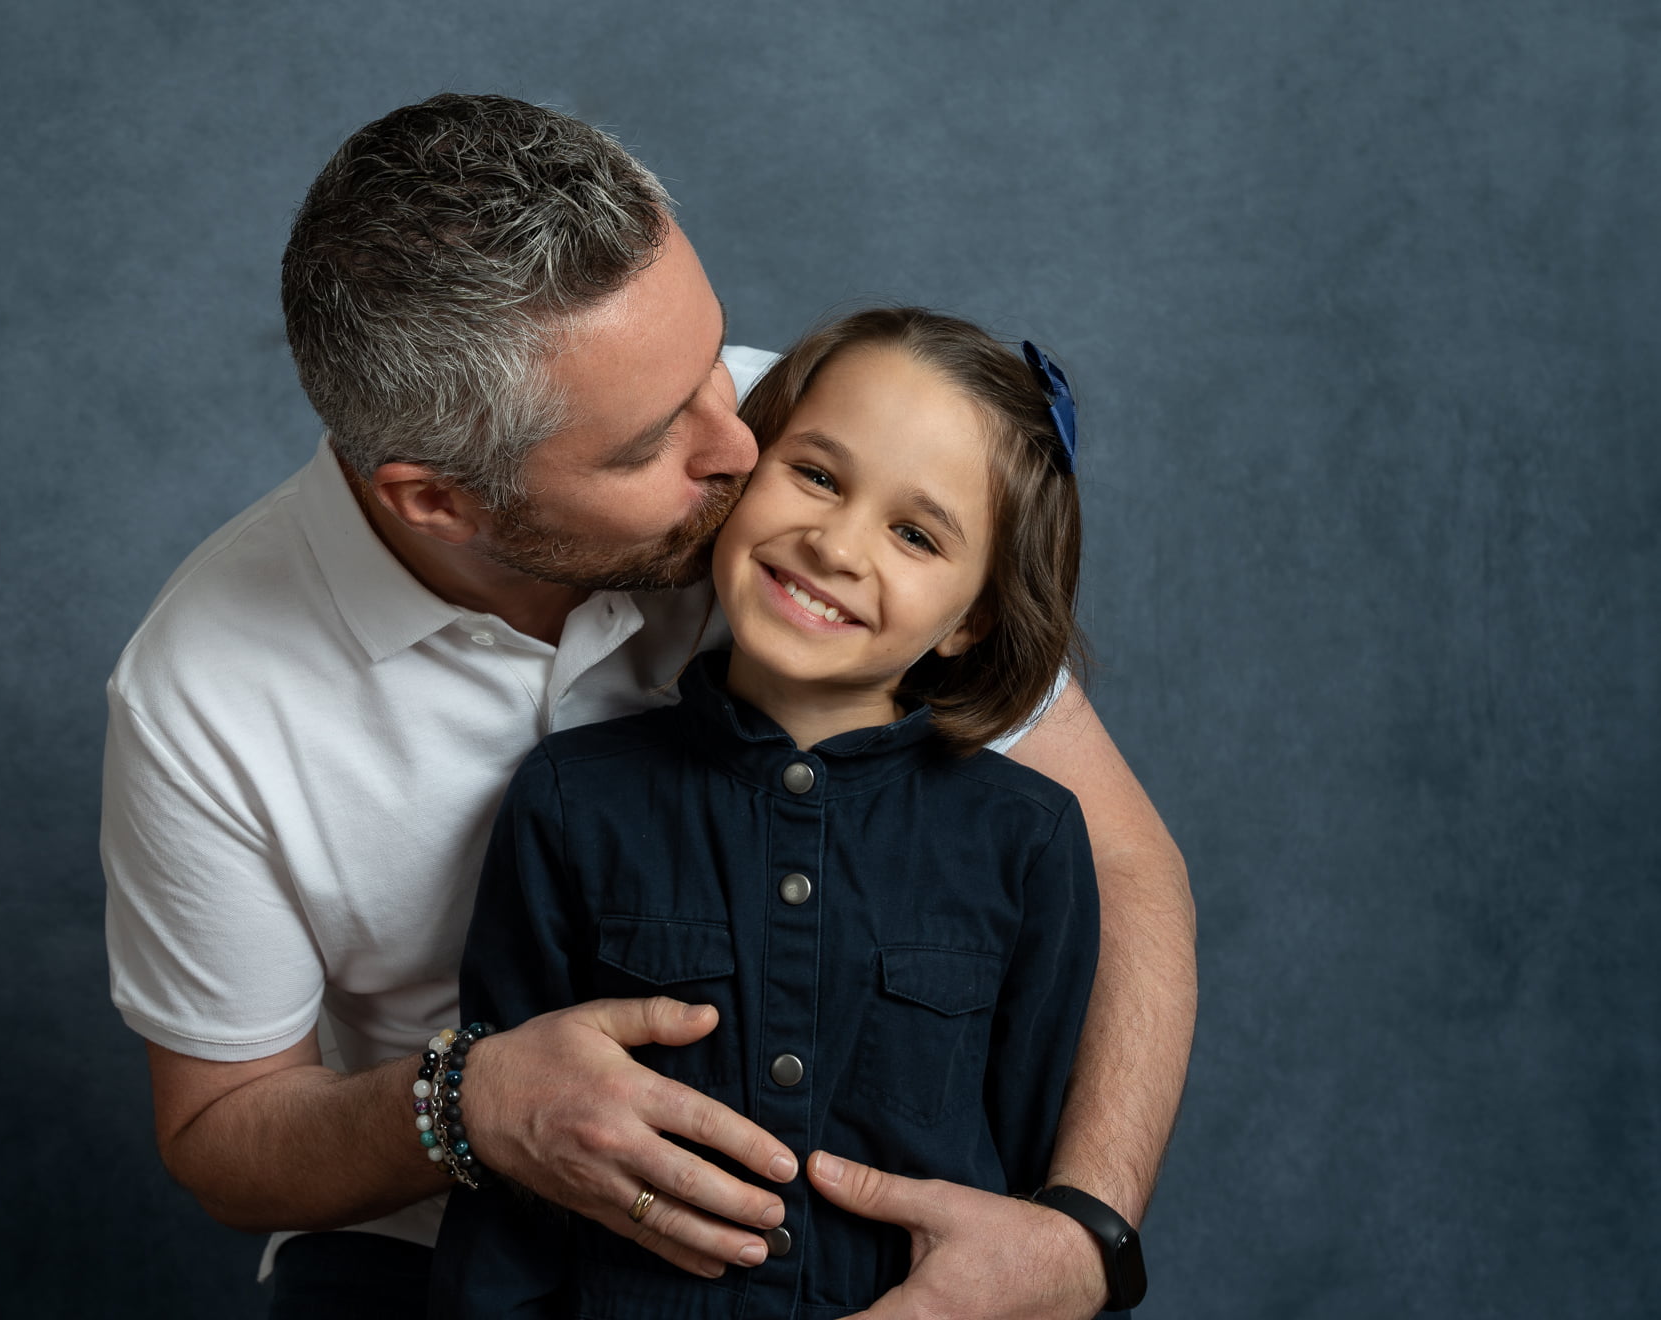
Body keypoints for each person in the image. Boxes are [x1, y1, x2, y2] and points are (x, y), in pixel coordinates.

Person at [101, 93, 1194, 1319]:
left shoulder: (808, 449)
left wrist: (1083, 1236)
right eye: (651, 444)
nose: (739, 446)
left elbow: (1125, 865)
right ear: (440, 502)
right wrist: (474, 1106)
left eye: (720, 366)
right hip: (434, 1238)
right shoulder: (203, 692)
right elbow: (220, 1132)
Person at [430, 308, 1106, 1319]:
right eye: (819, 476)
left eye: (915, 534)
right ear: (740, 476)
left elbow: (1036, 1198)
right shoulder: (570, 799)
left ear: (972, 618)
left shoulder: (1028, 840)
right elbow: (519, 1165)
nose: (835, 544)